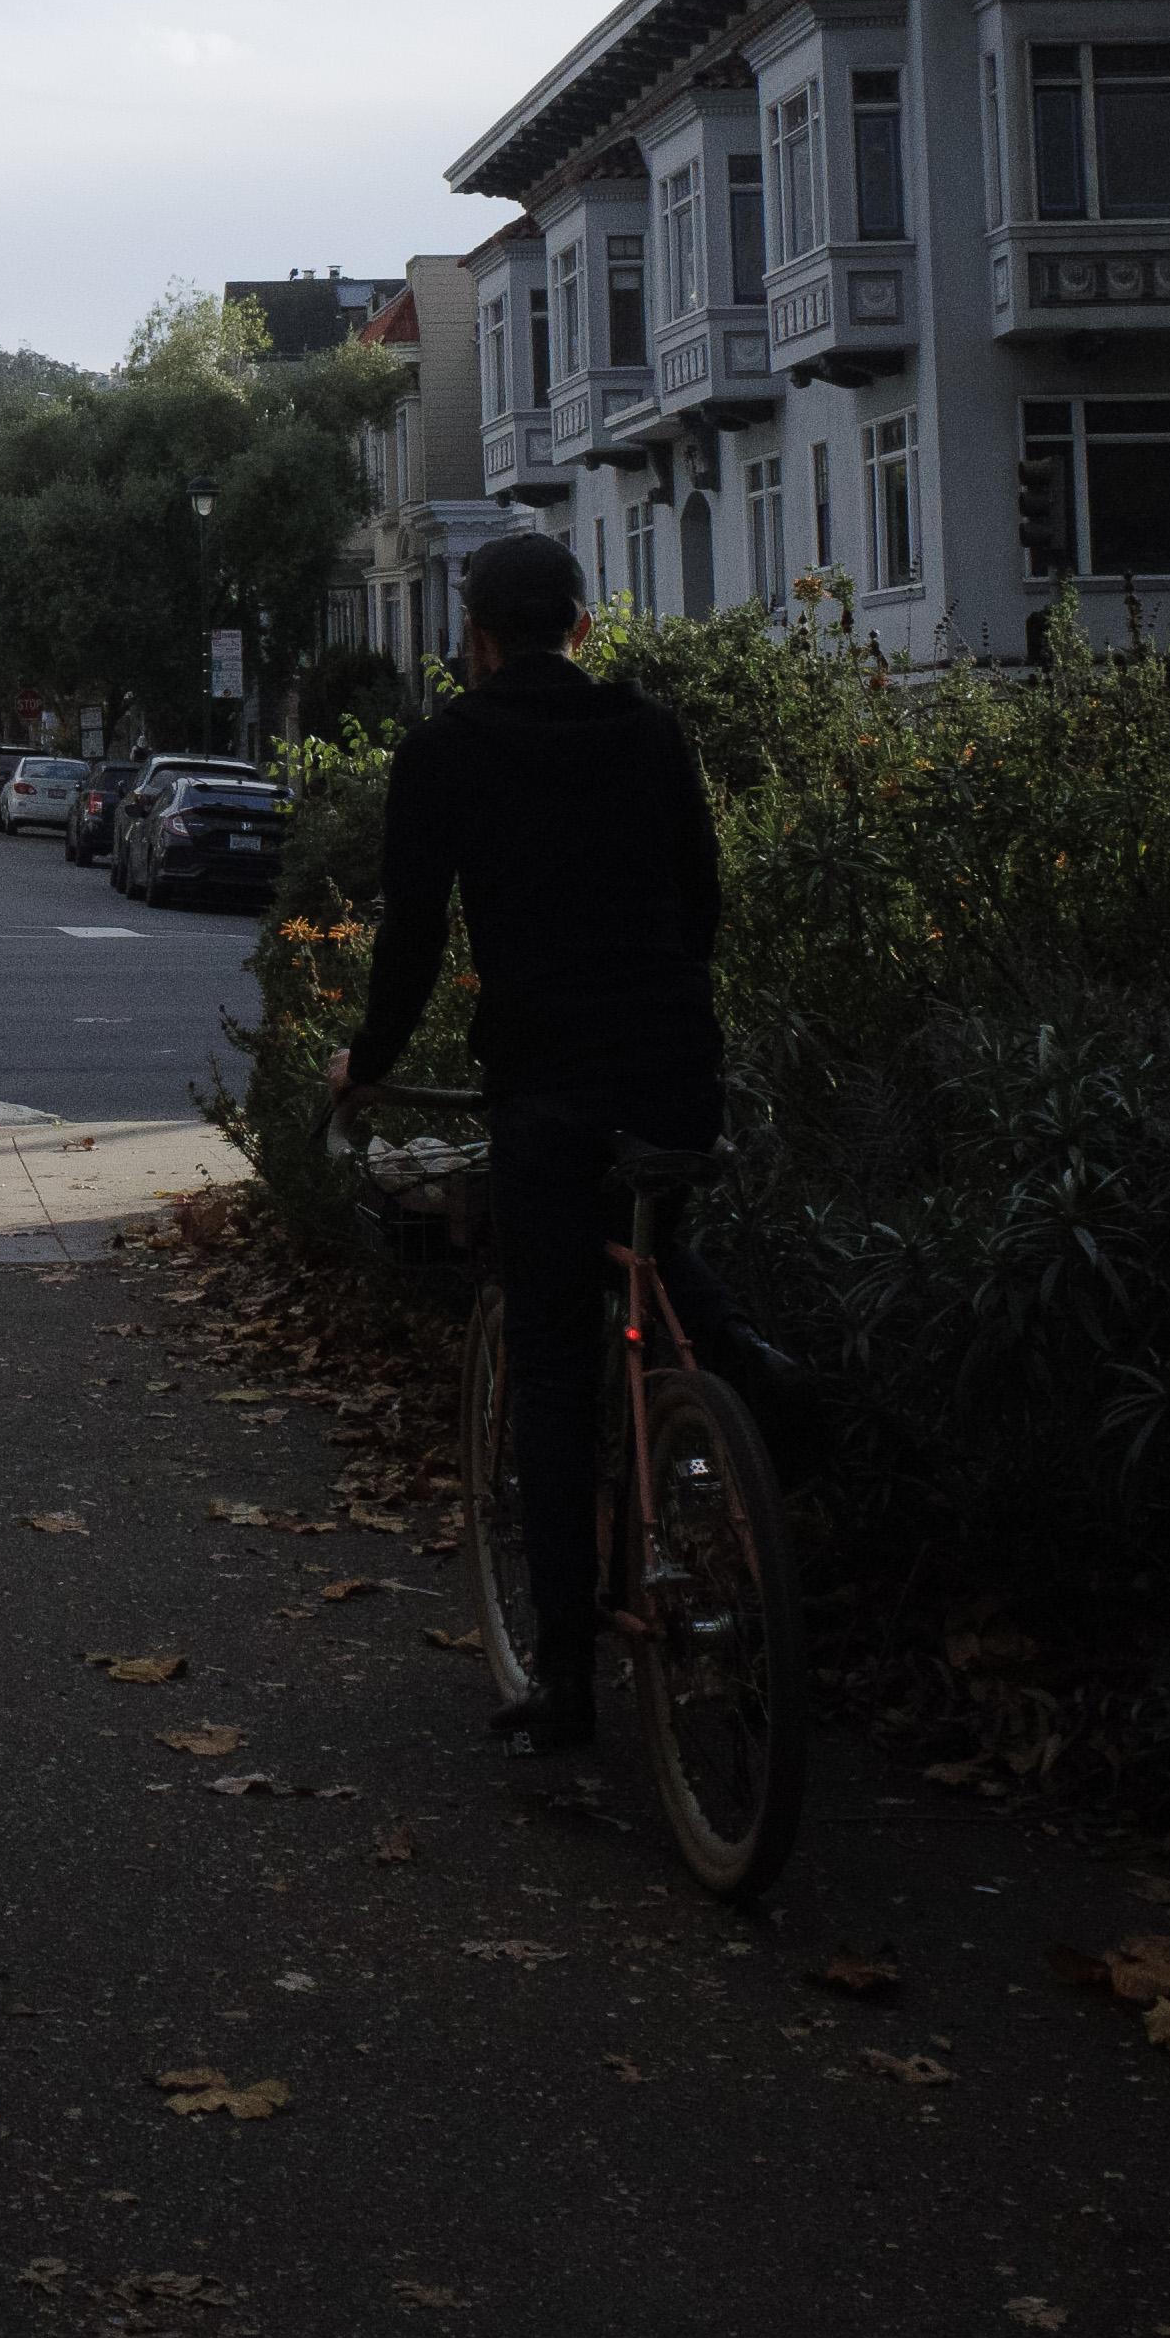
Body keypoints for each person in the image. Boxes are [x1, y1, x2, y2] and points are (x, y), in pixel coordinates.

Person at [339, 528, 794, 1750]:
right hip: (669, 1071)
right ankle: (743, 1357)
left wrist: (366, 1067)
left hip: (543, 1085)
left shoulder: (445, 752)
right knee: (647, 1238)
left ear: (472, 641)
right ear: (582, 629)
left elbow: (415, 941)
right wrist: (662, 1014)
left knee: (547, 1361)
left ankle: (567, 1678)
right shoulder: (649, 734)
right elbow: (701, 898)